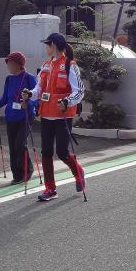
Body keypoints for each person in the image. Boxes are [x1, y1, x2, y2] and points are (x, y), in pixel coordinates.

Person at [22, 33, 85, 202]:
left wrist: (67, 101)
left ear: (54, 46)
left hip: (63, 115)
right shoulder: (46, 65)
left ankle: (78, 172)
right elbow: (39, 89)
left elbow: (79, 91)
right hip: (46, 115)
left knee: (62, 152)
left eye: (47, 45)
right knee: (47, 152)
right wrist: (30, 94)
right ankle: (50, 188)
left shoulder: (70, 65)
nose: (46, 48)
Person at [0, 52, 37, 184]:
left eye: (11, 63)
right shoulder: (9, 79)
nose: (8, 66)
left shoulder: (29, 78)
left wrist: (27, 103)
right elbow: (5, 97)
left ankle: (27, 171)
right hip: (11, 116)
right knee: (12, 146)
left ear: (19, 65)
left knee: (20, 144)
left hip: (25, 116)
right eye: (8, 63)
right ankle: (17, 175)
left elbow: (36, 97)